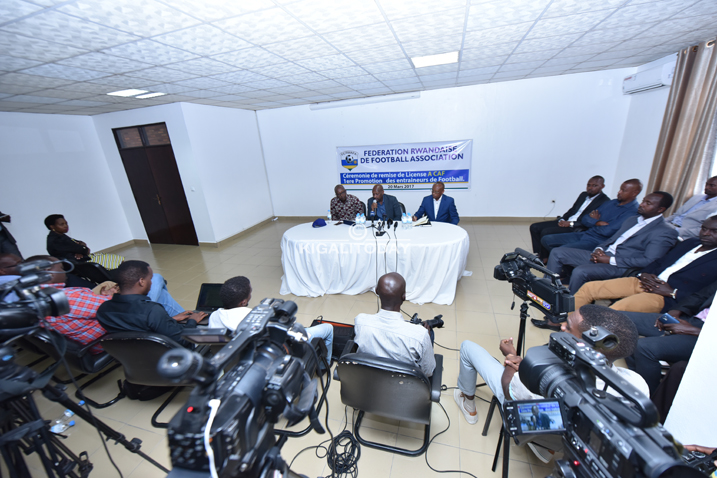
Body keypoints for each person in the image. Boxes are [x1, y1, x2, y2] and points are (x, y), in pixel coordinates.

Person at [453, 305, 648, 460]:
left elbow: (508, 389)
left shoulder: (546, 382)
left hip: (529, 421)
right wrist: (524, 365)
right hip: (570, 442)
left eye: (568, 327)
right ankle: (548, 448)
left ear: (588, 344)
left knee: (468, 347)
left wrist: (511, 356)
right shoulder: (637, 388)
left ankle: (468, 404)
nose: (561, 327)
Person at [544, 191, 678, 296]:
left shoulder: (664, 232)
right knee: (557, 252)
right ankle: (547, 290)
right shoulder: (633, 220)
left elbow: (649, 260)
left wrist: (610, 260)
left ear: (660, 209)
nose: (642, 204)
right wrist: (599, 249)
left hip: (620, 265)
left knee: (580, 271)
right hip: (604, 255)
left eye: (648, 203)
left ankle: (570, 306)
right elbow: (611, 240)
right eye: (643, 201)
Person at [572, 217, 717, 313]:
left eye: (714, 231)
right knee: (589, 288)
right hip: (646, 281)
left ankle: (585, 338)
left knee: (618, 308)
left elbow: (708, 296)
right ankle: (565, 324)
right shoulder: (690, 243)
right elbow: (659, 261)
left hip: (665, 296)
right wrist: (644, 274)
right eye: (704, 229)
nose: (706, 233)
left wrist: (672, 292)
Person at [208, 276, 334, 362]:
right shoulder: (257, 319)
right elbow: (293, 333)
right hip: (275, 354)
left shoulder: (213, 316)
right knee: (328, 328)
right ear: (244, 302)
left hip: (236, 361)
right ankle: (324, 366)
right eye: (250, 291)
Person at [621, 279, 715, 394]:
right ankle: (632, 383)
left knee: (644, 347)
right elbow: (700, 296)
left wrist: (695, 331)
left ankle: (645, 398)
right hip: (690, 320)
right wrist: (675, 311)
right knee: (620, 319)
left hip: (707, 338)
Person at [97, 260, 206, 348]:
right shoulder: (152, 310)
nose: (151, 282)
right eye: (150, 278)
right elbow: (182, 340)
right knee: (210, 327)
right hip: (173, 355)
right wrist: (192, 321)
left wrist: (169, 320)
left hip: (136, 357)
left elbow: (137, 330)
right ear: (142, 281)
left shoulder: (103, 310)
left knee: (162, 294)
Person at [354, 272, 435, 377]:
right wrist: (427, 338)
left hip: (369, 382)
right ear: (404, 297)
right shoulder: (420, 335)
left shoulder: (360, 321)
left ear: (377, 291)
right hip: (404, 385)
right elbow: (428, 372)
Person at [540, 179, 642, 256]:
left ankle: (564, 267)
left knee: (559, 250)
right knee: (546, 239)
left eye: (623, 190)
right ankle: (565, 265)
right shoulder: (611, 203)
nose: (619, 192)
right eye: (620, 189)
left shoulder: (632, 212)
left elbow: (607, 231)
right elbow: (585, 219)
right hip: (586, 233)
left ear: (635, 193)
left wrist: (594, 221)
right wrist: (597, 222)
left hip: (597, 241)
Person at [529, 176, 609, 259]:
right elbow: (573, 209)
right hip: (567, 221)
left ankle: (544, 258)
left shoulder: (605, 201)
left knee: (546, 232)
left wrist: (571, 224)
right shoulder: (583, 195)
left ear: (602, 186)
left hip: (577, 227)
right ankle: (541, 253)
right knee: (534, 227)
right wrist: (562, 219)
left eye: (595, 186)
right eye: (589, 185)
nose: (590, 188)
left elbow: (590, 221)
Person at [45, 214, 124, 270]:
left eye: (66, 223)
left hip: (80, 259)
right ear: (52, 227)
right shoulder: (56, 240)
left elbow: (80, 244)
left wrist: (80, 249)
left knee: (115, 259)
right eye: (61, 224)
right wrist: (81, 249)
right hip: (79, 264)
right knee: (115, 261)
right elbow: (84, 249)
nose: (66, 226)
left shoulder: (60, 235)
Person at [665, 176, 717, 240]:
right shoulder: (696, 197)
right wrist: (663, 222)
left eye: (712, 185)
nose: (706, 187)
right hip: (669, 226)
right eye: (706, 184)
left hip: (683, 235)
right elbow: (677, 215)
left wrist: (676, 231)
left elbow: (703, 230)